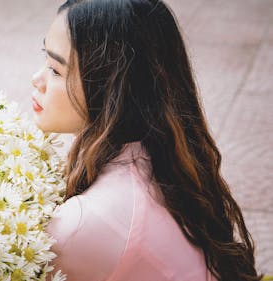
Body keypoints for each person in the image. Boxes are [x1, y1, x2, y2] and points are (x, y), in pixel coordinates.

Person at [30, 0, 264, 280]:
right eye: (46, 57)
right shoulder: (162, 157)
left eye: (56, 70)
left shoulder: (79, 226)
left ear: (109, 88)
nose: (37, 79)